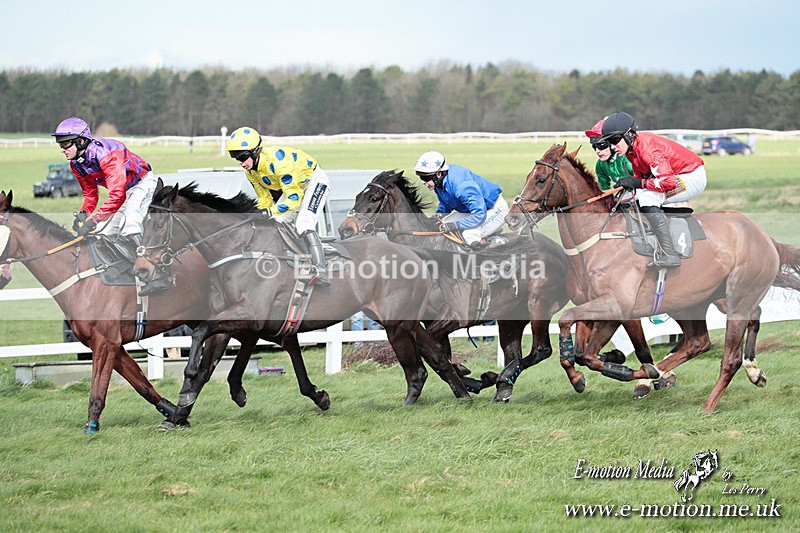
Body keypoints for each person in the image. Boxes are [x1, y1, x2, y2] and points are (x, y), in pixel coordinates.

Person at [52, 117, 165, 293]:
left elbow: (117, 196)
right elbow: (90, 194)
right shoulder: (76, 165)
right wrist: (83, 214)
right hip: (124, 191)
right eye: (60, 144)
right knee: (104, 233)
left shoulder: (106, 155)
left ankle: (158, 274)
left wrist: (93, 220)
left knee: (130, 225)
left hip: (142, 183)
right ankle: (129, 270)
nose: (62, 149)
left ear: (81, 141)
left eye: (66, 144)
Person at [600, 111, 707, 268]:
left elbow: (667, 182)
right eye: (609, 142)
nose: (612, 147)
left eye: (615, 140)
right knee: (629, 198)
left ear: (630, 134)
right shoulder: (631, 149)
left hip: (691, 176)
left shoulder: (648, 150)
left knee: (648, 198)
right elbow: (641, 176)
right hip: (675, 176)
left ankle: (669, 253)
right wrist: (632, 185)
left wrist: (638, 183)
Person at [227, 127, 331, 286]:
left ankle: (321, 269)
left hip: (314, 182)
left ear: (255, 152)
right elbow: (265, 200)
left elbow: (293, 199)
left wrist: (269, 211)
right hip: (294, 188)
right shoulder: (251, 172)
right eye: (235, 157)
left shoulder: (278, 164)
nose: (240, 163)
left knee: (304, 223)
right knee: (275, 221)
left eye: (242, 157)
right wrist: (259, 213)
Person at [414, 151, 508, 250]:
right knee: (442, 224)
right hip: (472, 211)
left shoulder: (461, 186)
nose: (423, 182)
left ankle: (495, 251)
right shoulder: (439, 182)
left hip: (494, 209)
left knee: (470, 235)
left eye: (425, 178)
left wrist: (454, 225)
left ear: (438, 174)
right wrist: (437, 216)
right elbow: (446, 204)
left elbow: (479, 214)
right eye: (421, 177)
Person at [585, 117, 633, 190]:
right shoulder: (600, 165)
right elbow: (604, 190)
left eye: (601, 145)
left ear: (612, 143)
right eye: (594, 146)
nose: (597, 151)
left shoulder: (629, 159)